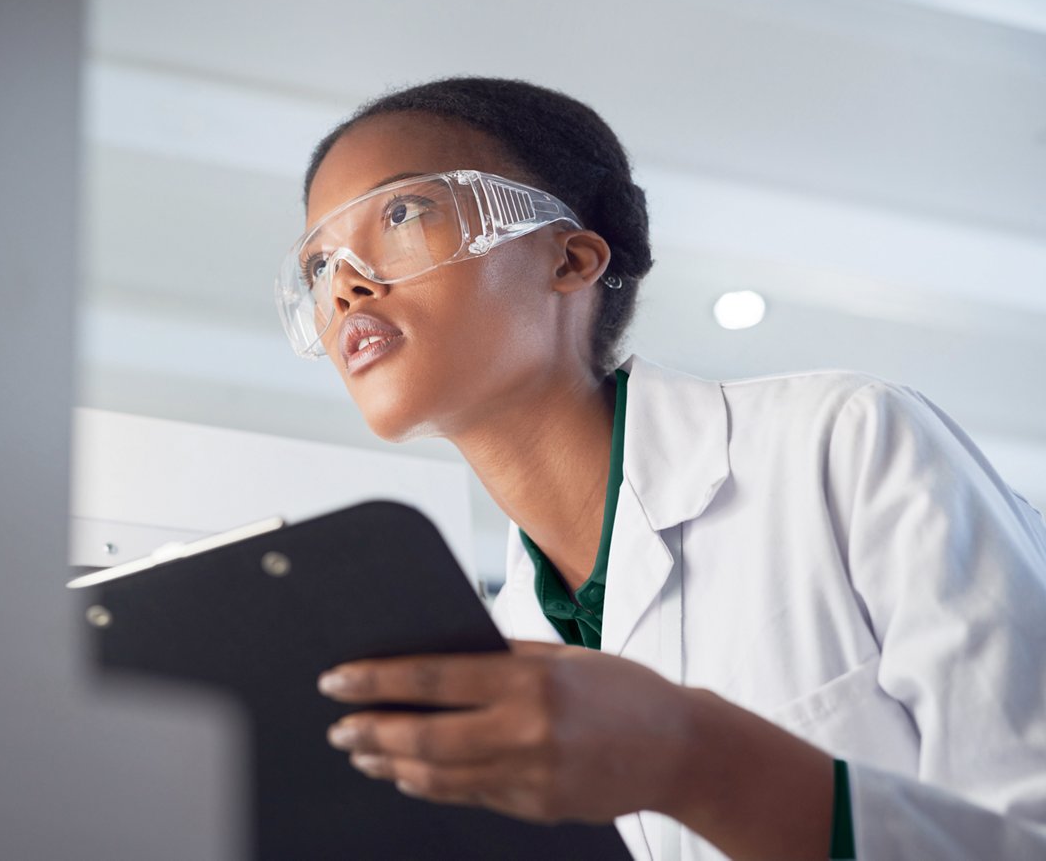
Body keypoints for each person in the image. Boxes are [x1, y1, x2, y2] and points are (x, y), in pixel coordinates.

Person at [275, 77, 1046, 860]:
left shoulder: (843, 446)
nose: (345, 287)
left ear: (570, 260)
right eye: (317, 267)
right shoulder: (501, 654)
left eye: (403, 213)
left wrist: (694, 754)